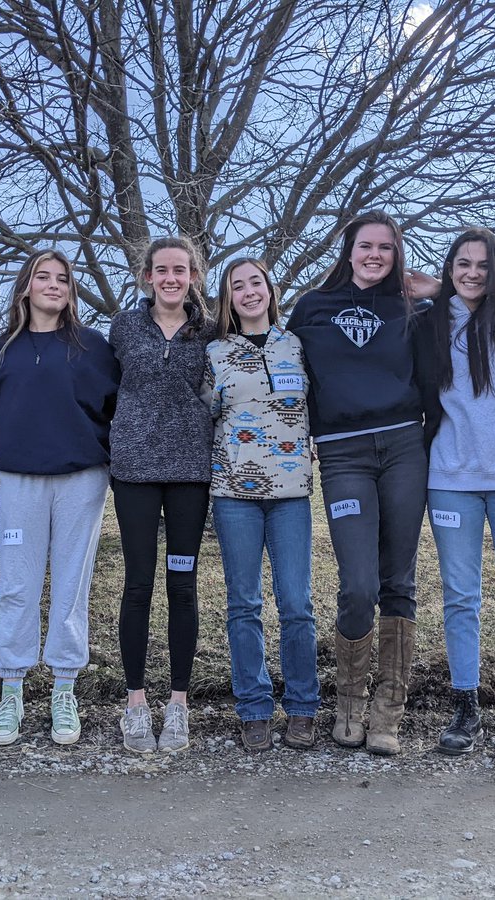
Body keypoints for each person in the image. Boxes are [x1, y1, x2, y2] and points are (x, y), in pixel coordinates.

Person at [287, 210, 429, 756]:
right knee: (358, 583)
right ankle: (348, 700)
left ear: (397, 255)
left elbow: (492, 300)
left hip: (403, 447)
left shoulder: (415, 307)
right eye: (366, 246)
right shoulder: (313, 308)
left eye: (387, 248)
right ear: (348, 251)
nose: (375, 255)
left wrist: (432, 284)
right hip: (343, 454)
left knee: (398, 580)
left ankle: (388, 711)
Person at [412, 227, 495, 760]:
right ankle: (464, 706)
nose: (471, 272)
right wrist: (428, 295)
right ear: (449, 269)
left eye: (482, 265)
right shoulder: (427, 325)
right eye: (461, 263)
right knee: (460, 598)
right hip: (450, 480)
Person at [0, 249, 118, 747]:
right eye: (44, 277)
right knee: (17, 583)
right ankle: (11, 689)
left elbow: (121, 409)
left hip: (82, 479)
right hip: (19, 480)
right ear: (26, 287)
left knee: (71, 585)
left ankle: (63, 687)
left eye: (63, 279)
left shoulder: (93, 348)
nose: (54, 285)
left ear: (71, 291)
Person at [202, 258, 320, 752]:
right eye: (238, 285)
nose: (250, 291)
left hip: (291, 494)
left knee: (296, 604)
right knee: (243, 605)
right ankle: (253, 708)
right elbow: (200, 413)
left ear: (270, 290)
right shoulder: (212, 352)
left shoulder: (296, 345)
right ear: (227, 298)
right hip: (234, 494)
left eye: (257, 282)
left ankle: (302, 708)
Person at [108, 236, 217, 754]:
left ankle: (178, 704)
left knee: (182, 583)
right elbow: (106, 389)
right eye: (161, 270)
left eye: (181, 269)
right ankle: (135, 703)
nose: (171, 278)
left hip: (190, 475)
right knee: (138, 582)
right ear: (147, 276)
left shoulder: (212, 331)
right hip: (133, 471)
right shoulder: (124, 326)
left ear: (194, 275)